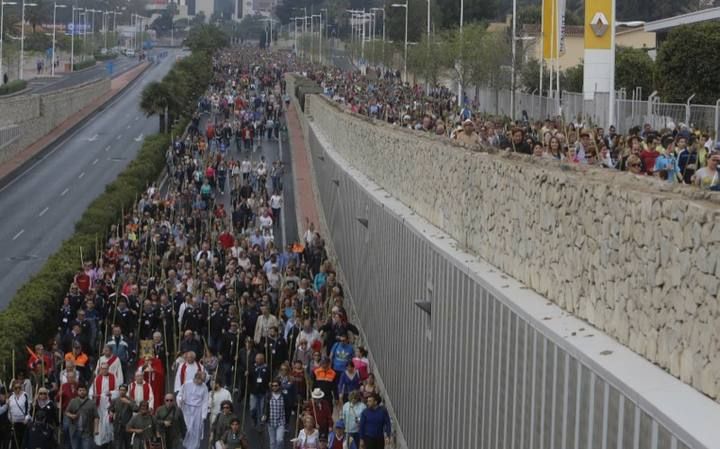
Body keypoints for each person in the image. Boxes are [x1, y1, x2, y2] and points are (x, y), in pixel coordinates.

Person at [178, 371, 209, 449]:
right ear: (196, 378)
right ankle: (186, 444)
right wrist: (180, 400)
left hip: (198, 410)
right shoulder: (187, 384)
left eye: (203, 381)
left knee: (196, 429)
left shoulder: (204, 387)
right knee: (188, 427)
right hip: (187, 408)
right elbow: (180, 394)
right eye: (201, 380)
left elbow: (205, 401)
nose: (201, 382)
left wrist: (203, 415)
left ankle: (194, 446)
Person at [90, 362, 118, 447]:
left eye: (106, 368)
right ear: (100, 369)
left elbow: (118, 390)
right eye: (102, 368)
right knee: (101, 422)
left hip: (109, 403)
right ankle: (100, 442)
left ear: (108, 369)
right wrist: (93, 395)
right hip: (100, 403)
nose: (104, 370)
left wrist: (112, 393)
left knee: (109, 422)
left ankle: (110, 440)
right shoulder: (97, 379)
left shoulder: (113, 377)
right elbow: (91, 390)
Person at [65, 384, 99, 449]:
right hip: (75, 431)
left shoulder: (91, 403)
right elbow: (66, 412)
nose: (82, 392)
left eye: (83, 390)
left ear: (86, 391)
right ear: (77, 391)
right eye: (80, 390)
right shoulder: (73, 401)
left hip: (87, 432)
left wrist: (96, 429)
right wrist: (71, 415)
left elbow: (96, 417)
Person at [108, 384, 137, 449]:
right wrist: (111, 412)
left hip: (127, 426)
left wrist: (128, 403)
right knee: (118, 445)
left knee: (128, 445)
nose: (122, 391)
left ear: (126, 391)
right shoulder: (115, 400)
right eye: (120, 390)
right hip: (118, 426)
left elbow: (136, 409)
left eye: (123, 390)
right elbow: (110, 409)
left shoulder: (130, 400)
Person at [263, 380, 286, 449]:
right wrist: (264, 415)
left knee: (279, 440)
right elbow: (265, 406)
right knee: (272, 442)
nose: (274, 387)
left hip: (281, 422)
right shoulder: (268, 395)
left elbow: (288, 406)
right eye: (272, 386)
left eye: (276, 386)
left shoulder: (283, 396)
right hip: (271, 422)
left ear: (279, 386)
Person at [249, 353, 270, 428]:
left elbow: (269, 378)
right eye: (257, 359)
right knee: (253, 408)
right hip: (254, 391)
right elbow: (249, 378)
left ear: (263, 359)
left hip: (263, 392)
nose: (258, 360)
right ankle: (254, 419)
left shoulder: (267, 368)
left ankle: (260, 424)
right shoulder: (252, 367)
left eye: (260, 359)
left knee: (261, 409)